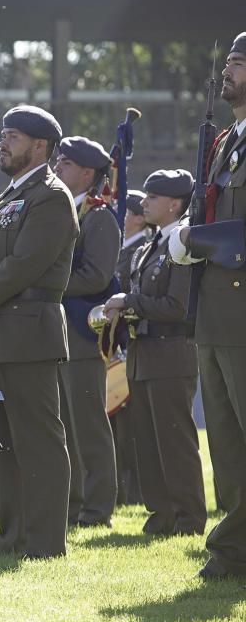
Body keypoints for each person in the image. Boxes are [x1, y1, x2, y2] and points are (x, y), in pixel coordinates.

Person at [0, 105, 78, 558]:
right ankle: (12, 537)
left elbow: (25, 264)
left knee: (38, 439)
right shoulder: (0, 200)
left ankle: (44, 542)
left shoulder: (51, 195)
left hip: (29, 330)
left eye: (13, 136)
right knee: (3, 441)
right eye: (3, 135)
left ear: (39, 146)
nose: (2, 143)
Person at [170, 31, 246, 580]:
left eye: (239, 63)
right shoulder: (224, 142)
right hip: (217, 309)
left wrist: (199, 240)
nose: (229, 71)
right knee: (225, 439)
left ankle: (230, 548)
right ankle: (235, 548)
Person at [104, 169, 205, 537]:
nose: (143, 203)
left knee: (173, 439)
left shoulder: (182, 244)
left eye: (152, 197)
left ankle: (188, 517)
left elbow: (176, 306)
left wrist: (128, 301)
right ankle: (161, 513)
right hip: (144, 352)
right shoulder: (151, 245)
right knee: (146, 439)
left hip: (171, 350)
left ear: (174, 204)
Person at [53, 136, 121, 528]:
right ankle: (74, 505)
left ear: (87, 173)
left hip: (82, 332)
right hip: (61, 331)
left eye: (66, 164)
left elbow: (96, 275)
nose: (58, 168)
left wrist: (50, 284)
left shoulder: (99, 218)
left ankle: (97, 510)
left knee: (88, 424)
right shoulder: (70, 213)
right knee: (65, 423)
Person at [112, 190, 149, 507]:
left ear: (139, 218)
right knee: (116, 424)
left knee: (131, 425)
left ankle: (135, 491)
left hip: (130, 343)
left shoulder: (141, 249)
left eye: (125, 211)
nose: (119, 216)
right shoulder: (120, 248)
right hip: (113, 344)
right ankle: (123, 490)